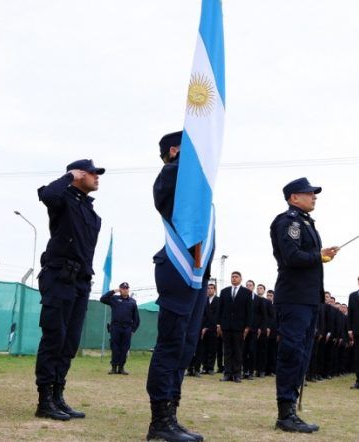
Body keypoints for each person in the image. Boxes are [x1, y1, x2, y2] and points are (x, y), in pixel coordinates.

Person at [146, 131, 212, 442]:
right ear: (175, 151)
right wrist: (186, 166)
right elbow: (169, 205)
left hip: (197, 273)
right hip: (178, 269)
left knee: (185, 347)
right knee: (171, 345)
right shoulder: (170, 175)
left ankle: (171, 415)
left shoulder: (194, 181)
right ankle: (159, 421)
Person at [34, 159, 104, 420]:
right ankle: (44, 400)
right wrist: (68, 177)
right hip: (59, 277)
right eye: (93, 173)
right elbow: (46, 194)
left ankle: (58, 395)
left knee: (70, 341)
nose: (97, 177)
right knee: (54, 337)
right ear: (78, 175)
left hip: (80, 281)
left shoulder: (89, 209)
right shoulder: (62, 199)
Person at [270, 177, 338, 433]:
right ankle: (285, 412)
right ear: (293, 197)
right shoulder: (289, 222)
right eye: (309, 193)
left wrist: (321, 255)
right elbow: (292, 257)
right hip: (294, 298)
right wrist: (318, 256)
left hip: (309, 299)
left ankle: (291, 410)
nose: (314, 197)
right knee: (291, 353)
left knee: (302, 354)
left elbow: (307, 257)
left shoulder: (306, 223)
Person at [217, 271, 253, 383]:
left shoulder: (247, 293)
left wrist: (247, 327)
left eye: (236, 277)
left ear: (241, 279)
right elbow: (220, 309)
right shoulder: (224, 292)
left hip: (239, 327)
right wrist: (219, 324)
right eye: (232, 276)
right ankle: (227, 374)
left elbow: (249, 311)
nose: (234, 278)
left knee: (238, 351)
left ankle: (237, 374)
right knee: (227, 351)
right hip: (226, 326)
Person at [100, 282, 140, 375]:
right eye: (123, 288)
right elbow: (102, 299)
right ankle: (114, 368)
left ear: (128, 289)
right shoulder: (114, 299)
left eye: (126, 288)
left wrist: (133, 330)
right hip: (115, 328)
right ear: (120, 289)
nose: (125, 290)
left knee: (124, 348)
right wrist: (113, 291)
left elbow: (136, 318)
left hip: (127, 329)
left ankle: (121, 368)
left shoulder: (132, 302)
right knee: (115, 348)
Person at [200, 283, 220, 374]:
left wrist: (213, 325)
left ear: (215, 290)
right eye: (208, 288)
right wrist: (204, 326)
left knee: (212, 348)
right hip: (204, 328)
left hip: (214, 328)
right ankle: (204, 367)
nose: (209, 290)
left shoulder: (218, 300)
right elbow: (202, 315)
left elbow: (217, 315)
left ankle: (211, 367)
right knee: (204, 348)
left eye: (211, 288)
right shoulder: (204, 300)